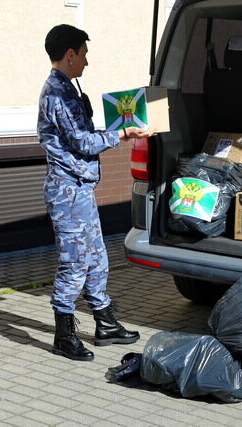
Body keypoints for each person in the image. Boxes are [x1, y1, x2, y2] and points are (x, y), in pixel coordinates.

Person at [38, 24, 153, 361]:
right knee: (74, 263)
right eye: (84, 54)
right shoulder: (57, 93)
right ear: (70, 54)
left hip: (81, 189)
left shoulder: (69, 88)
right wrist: (123, 134)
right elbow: (82, 141)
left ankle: (105, 323)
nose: (87, 62)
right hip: (67, 191)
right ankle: (64, 334)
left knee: (97, 258)